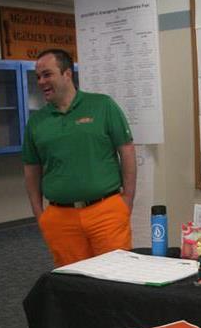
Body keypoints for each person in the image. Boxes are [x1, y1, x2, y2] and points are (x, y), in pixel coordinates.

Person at [22, 49, 136, 267]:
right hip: (60, 217)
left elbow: (127, 150)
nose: (41, 82)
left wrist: (127, 199)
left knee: (116, 279)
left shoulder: (102, 105)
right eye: (38, 77)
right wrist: (39, 214)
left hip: (106, 211)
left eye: (47, 74)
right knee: (73, 284)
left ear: (67, 74)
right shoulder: (37, 122)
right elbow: (31, 168)